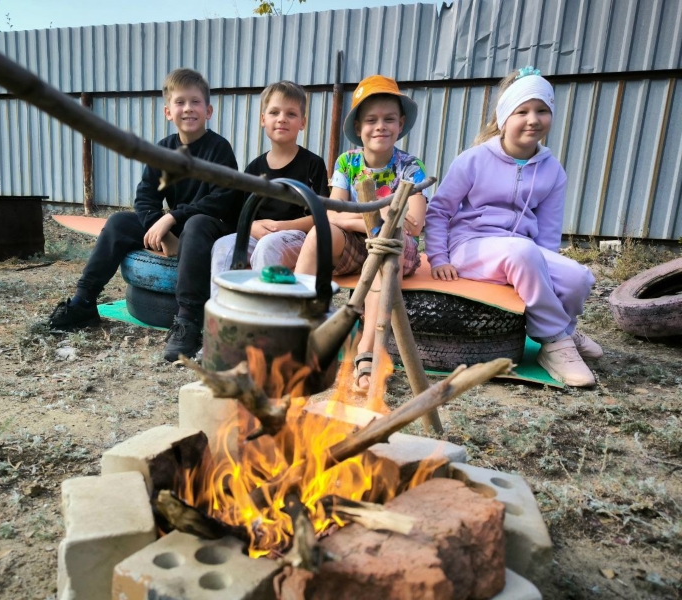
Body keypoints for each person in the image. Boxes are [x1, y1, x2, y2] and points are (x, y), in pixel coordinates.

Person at [48, 68, 242, 362]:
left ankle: (188, 321)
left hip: (210, 226)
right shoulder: (162, 150)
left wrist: (172, 217)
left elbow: (223, 200)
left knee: (198, 224)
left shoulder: (219, 149)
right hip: (174, 228)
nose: (188, 108)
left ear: (209, 110)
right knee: (118, 223)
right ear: (168, 111)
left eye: (195, 102)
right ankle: (84, 301)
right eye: (180, 102)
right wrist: (157, 225)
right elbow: (145, 196)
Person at [424, 66, 601, 387]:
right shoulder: (473, 159)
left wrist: (542, 270)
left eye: (542, 110)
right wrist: (439, 258)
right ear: (504, 118)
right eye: (523, 111)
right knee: (521, 252)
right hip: (471, 249)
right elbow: (439, 211)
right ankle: (555, 341)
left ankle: (565, 331)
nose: (533, 119)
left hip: (524, 252)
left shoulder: (552, 170)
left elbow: (548, 233)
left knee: (579, 277)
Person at [294, 75, 428, 394]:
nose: (380, 126)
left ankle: (367, 349)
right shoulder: (348, 162)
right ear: (358, 128)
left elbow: (412, 223)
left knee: (381, 251)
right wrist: (373, 218)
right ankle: (295, 325)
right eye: (371, 120)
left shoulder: (410, 167)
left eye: (388, 119)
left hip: (396, 248)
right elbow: (329, 213)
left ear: (401, 123)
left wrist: (367, 220)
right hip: (358, 241)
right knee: (319, 234)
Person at [209, 80, 328, 297]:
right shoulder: (254, 167)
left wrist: (282, 226)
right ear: (263, 119)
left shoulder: (313, 164)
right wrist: (251, 227)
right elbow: (243, 214)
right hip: (259, 235)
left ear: (303, 122)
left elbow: (320, 217)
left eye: (291, 114)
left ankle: (265, 317)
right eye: (274, 112)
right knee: (223, 247)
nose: (282, 118)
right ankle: (224, 314)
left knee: (268, 248)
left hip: (298, 236)